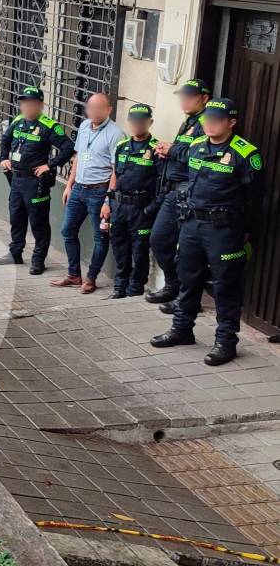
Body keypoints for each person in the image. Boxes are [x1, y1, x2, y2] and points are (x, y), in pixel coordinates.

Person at [151, 99, 263, 366]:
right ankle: (182, 329)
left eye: (216, 119)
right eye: (207, 119)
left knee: (226, 285)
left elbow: (255, 199)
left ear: (231, 122)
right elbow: (179, 163)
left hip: (224, 230)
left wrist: (246, 231)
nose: (209, 123)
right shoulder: (197, 146)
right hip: (192, 225)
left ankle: (226, 341)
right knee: (187, 278)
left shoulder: (246, 154)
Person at [50, 93, 124, 294]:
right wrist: (69, 185)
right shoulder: (84, 126)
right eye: (91, 107)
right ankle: (74, 275)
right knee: (67, 231)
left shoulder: (116, 134)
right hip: (78, 189)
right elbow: (78, 157)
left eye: (99, 108)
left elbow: (116, 171)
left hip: (99, 191)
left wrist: (108, 199)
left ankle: (91, 278)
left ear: (109, 110)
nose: (94, 112)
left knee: (100, 237)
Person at [147, 78, 211, 310]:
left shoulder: (207, 122)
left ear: (204, 98)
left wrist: (173, 150)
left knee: (187, 251)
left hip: (189, 193)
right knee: (159, 239)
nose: (184, 100)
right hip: (172, 190)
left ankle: (187, 298)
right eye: (182, 96)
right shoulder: (189, 121)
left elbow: (201, 156)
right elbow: (185, 152)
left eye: (189, 96)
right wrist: (167, 151)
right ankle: (173, 285)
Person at [0, 86, 74, 274]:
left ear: (40, 105)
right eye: (23, 103)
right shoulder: (18, 121)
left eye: (30, 103)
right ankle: (15, 253)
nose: (26, 107)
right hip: (16, 179)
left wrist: (50, 165)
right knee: (16, 217)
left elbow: (68, 148)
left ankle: (38, 259)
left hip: (36, 183)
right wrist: (4, 158)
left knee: (38, 223)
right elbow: (5, 140)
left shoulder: (49, 126)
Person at [106, 104, 163, 299]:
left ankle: (136, 287)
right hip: (120, 206)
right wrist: (108, 201)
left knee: (139, 251)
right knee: (119, 247)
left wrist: (150, 209)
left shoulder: (157, 149)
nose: (137, 124)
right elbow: (115, 175)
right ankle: (119, 285)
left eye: (142, 121)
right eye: (134, 120)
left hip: (142, 209)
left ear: (150, 122)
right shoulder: (122, 147)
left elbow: (163, 183)